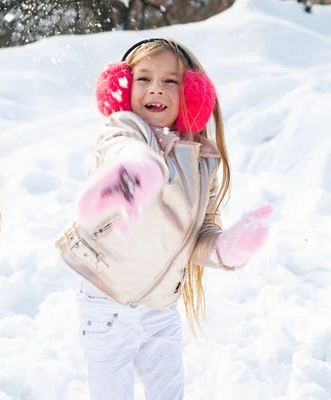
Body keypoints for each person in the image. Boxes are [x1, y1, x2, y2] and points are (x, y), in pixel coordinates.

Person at [56, 37, 273, 400]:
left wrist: (225, 249)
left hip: (160, 310)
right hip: (106, 302)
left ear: (192, 93)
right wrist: (140, 168)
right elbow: (123, 148)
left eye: (170, 81)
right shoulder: (124, 128)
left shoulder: (204, 161)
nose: (155, 88)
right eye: (143, 78)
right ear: (122, 87)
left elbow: (200, 233)